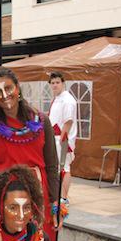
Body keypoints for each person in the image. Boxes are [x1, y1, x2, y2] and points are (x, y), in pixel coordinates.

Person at [0, 67, 60, 241]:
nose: (4, 95)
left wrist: (55, 203)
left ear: (18, 87)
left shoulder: (42, 120)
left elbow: (52, 165)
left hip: (39, 196)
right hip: (6, 199)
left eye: (8, 88)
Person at [47, 72, 77, 200]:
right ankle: (56, 195)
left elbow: (68, 122)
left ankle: (64, 198)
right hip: (54, 138)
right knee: (56, 168)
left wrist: (63, 141)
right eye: (52, 83)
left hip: (62, 139)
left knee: (64, 168)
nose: (55, 85)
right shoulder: (56, 99)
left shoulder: (68, 100)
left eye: (57, 82)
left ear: (63, 83)